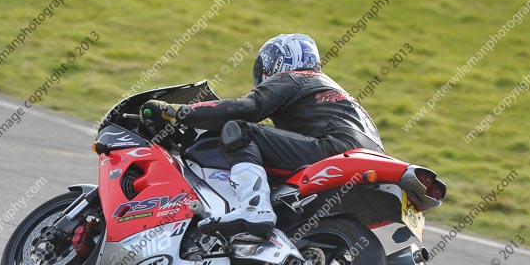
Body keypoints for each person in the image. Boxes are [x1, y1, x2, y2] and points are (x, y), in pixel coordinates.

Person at [142, 33, 384, 237]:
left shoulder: (294, 78)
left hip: (335, 149)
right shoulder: (333, 89)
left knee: (240, 130)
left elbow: (247, 109)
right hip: (369, 157)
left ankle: (254, 208)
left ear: (275, 63)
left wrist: (178, 112)